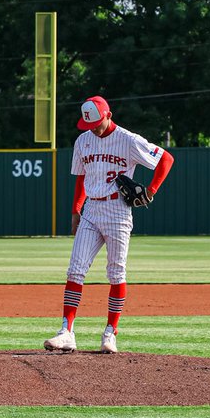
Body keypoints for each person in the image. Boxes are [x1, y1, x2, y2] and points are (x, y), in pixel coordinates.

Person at [44, 95, 174, 353]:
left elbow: (166, 159)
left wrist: (151, 191)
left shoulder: (129, 140)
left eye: (97, 122)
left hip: (118, 210)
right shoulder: (83, 141)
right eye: (89, 123)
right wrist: (75, 210)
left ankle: (110, 333)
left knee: (116, 272)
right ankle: (66, 332)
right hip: (91, 208)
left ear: (108, 115)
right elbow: (81, 178)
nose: (94, 127)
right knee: (75, 270)